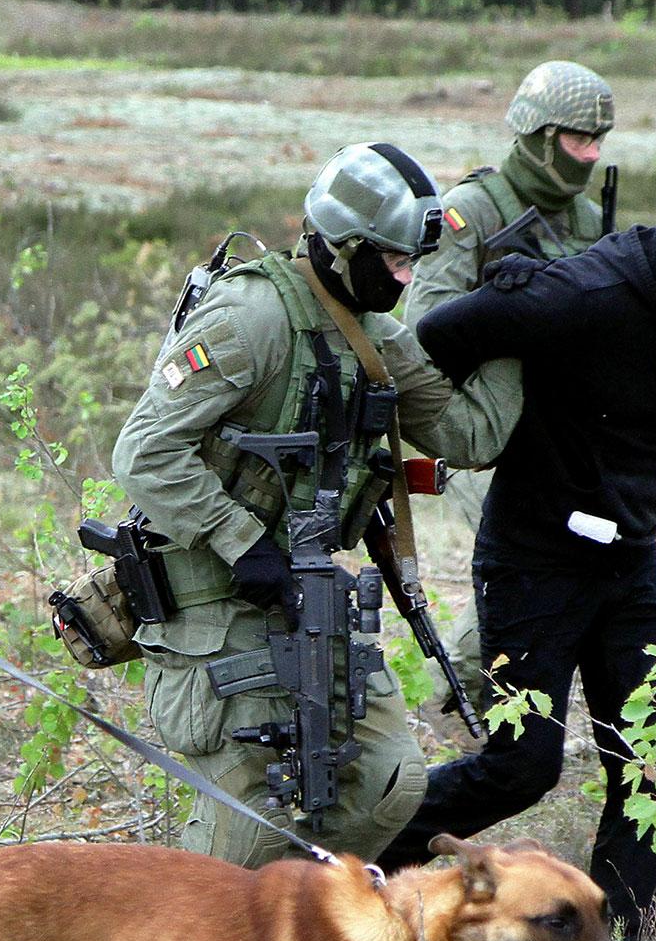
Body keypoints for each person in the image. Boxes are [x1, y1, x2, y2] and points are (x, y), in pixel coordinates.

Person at [377, 180, 656, 941]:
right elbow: (436, 336)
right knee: (522, 766)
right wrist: (498, 422)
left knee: (654, 756)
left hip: (628, 560)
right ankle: (362, 864)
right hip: (534, 555)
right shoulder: (588, 291)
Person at [111, 142, 524, 867]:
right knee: (253, 826)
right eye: (395, 261)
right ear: (345, 248)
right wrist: (241, 540)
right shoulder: (250, 319)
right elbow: (144, 451)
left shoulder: (376, 339)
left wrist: (515, 319)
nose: (407, 276)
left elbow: (471, 433)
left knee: (387, 785)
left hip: (304, 594)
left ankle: (289, 933)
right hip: (212, 598)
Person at [402, 60, 617, 710]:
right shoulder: (470, 212)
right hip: (483, 429)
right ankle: (456, 698)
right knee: (526, 564)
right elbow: (426, 329)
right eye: (581, 140)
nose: (592, 153)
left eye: (598, 140)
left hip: (561, 429)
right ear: (542, 136)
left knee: (584, 558)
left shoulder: (588, 219)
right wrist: (505, 311)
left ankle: (475, 696)